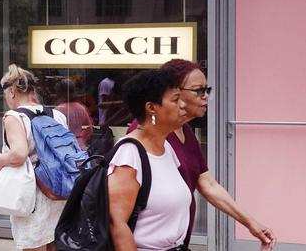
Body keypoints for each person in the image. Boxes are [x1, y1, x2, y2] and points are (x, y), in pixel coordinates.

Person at [131, 59, 276, 249]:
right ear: (174, 92)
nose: (205, 97)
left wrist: (251, 223)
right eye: (198, 90)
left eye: (207, 90)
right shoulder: (144, 133)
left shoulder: (184, 130)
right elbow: (120, 214)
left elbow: (207, 183)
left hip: (176, 243)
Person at [108, 68, 191, 251]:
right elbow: (117, 223)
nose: (183, 105)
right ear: (151, 107)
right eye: (176, 100)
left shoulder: (166, 147)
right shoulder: (129, 154)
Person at [0, 64, 67, 251]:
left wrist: (0, 159)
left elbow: (18, 154)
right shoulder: (56, 114)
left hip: (32, 194)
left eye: (6, 94)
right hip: (57, 190)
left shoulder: (14, 117)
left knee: (33, 245)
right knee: (52, 243)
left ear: (13, 91)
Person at [52, 78, 93, 149]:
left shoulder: (58, 110)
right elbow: (89, 129)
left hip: (65, 148)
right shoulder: (81, 108)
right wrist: (81, 139)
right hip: (81, 147)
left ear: (59, 93)